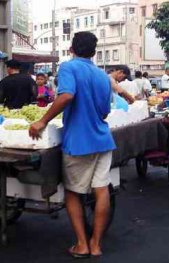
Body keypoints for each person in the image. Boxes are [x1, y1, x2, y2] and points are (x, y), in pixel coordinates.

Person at [29, 31, 115, 258]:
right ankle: (96, 244)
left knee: (72, 193)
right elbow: (105, 111)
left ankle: (82, 244)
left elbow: (67, 96)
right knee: (102, 190)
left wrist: (42, 120)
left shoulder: (68, 68)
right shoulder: (102, 75)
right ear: (95, 52)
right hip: (103, 139)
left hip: (79, 141)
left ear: (71, 49)